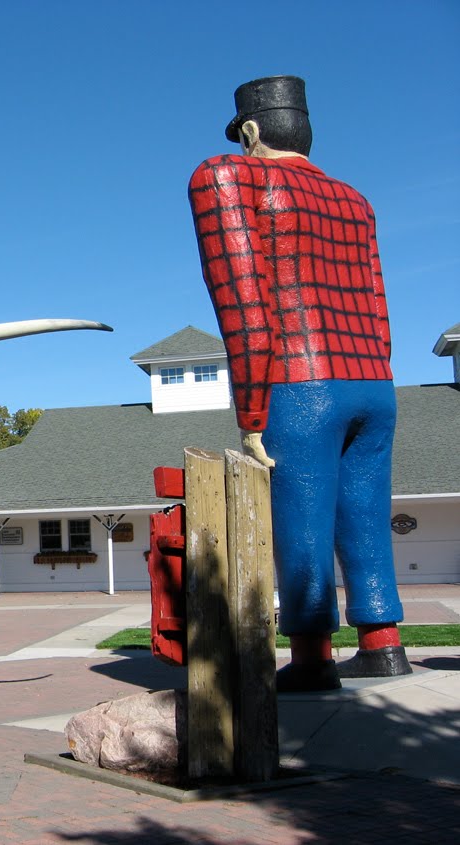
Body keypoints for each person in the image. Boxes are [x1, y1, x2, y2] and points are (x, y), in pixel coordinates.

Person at [188, 75, 411, 692]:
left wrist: (252, 414)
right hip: (373, 379)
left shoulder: (227, 176)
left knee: (300, 519)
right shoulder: (355, 200)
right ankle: (383, 643)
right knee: (365, 513)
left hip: (299, 379)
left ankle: (312, 656)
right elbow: (379, 307)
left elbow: (244, 307)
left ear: (249, 130)